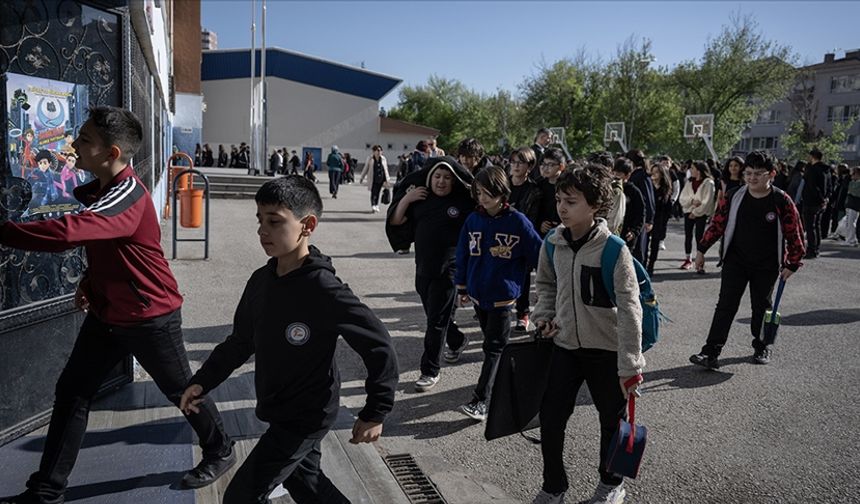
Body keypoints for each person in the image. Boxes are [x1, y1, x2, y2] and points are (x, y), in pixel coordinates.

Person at [0, 107, 234, 504]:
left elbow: (72, 232)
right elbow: (112, 247)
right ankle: (46, 491)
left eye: (85, 139)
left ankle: (220, 449)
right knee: (72, 392)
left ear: (111, 152)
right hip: (108, 313)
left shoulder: (126, 193)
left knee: (180, 390)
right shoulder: (105, 191)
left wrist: (4, 231)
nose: (74, 144)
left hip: (150, 316)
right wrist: (92, 282)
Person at [180, 176, 398, 502]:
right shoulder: (260, 282)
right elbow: (241, 341)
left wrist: (375, 411)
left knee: (239, 497)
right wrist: (203, 381)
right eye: (260, 220)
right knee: (304, 484)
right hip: (277, 407)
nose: (262, 230)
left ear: (307, 225)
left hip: (307, 416)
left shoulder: (324, 289)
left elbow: (379, 344)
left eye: (274, 221)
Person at [531, 164, 645, 504]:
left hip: (607, 351)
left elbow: (630, 309)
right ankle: (554, 486)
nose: (562, 208)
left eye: (571, 201)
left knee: (611, 421)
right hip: (564, 346)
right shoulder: (552, 243)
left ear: (595, 206)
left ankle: (611, 484)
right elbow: (546, 285)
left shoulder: (614, 249)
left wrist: (630, 364)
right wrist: (544, 317)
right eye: (559, 199)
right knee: (551, 419)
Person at [689, 150, 805, 369]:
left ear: (771, 174)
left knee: (761, 307)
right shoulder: (734, 196)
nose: (752, 178)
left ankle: (761, 346)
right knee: (725, 305)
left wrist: (793, 263)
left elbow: (794, 232)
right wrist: (702, 249)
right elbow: (717, 224)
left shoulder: (781, 200)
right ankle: (710, 352)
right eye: (748, 173)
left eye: (758, 174)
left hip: (767, 264)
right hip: (736, 261)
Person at [454, 166, 541, 421]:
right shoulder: (473, 220)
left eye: (488, 193)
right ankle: (509, 383)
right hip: (478, 295)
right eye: (478, 192)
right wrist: (461, 287)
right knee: (491, 347)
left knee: (494, 348)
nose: (482, 198)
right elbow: (462, 254)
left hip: (503, 297)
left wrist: (541, 286)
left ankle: (480, 400)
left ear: (502, 192)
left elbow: (538, 255)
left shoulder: (518, 221)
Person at [386, 157, 474, 391]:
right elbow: (395, 221)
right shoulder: (421, 199)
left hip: (449, 271)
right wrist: (407, 198)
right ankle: (457, 339)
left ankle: (430, 370)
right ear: (429, 178)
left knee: (435, 322)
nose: (441, 182)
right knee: (437, 318)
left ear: (453, 181)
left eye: (446, 177)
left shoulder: (463, 202)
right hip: (423, 269)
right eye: (437, 176)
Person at [508, 147, 542, 332]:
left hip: (522, 239)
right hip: (501, 236)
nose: (515, 166)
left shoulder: (534, 190)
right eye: (513, 162)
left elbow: (531, 218)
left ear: (529, 166)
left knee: (523, 278)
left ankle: (522, 314)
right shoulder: (503, 185)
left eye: (520, 162)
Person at [679, 161, 716, 273]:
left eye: (693, 168)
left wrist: (695, 212)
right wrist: (692, 201)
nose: (691, 170)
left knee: (700, 237)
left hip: (701, 214)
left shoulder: (708, 183)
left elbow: (707, 201)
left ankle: (700, 261)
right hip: (688, 212)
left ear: (699, 170)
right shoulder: (689, 182)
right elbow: (682, 198)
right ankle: (688, 259)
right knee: (688, 235)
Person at [625, 150, 655, 265]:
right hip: (638, 218)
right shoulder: (640, 175)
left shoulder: (641, 176)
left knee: (639, 251)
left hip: (640, 218)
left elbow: (648, 198)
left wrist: (649, 219)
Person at [801, 148, 832, 259]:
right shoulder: (826, 170)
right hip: (821, 202)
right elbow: (829, 187)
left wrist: (820, 199)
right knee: (817, 225)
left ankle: (811, 250)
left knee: (810, 227)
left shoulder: (812, 170)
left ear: (812, 157)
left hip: (811, 201)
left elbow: (812, 187)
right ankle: (816, 248)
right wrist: (825, 199)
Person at [612, 158, 645, 259]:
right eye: (615, 172)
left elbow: (641, 213)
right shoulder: (609, 188)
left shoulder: (634, 192)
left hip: (627, 234)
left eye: (619, 173)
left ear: (628, 175)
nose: (616, 175)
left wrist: (635, 231)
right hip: (612, 231)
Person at [647, 161, 673, 275]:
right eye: (652, 172)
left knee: (655, 244)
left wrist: (665, 222)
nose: (654, 174)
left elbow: (668, 207)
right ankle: (643, 263)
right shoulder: (648, 186)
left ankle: (651, 265)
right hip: (648, 219)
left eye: (657, 172)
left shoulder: (665, 188)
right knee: (644, 243)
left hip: (659, 220)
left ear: (662, 174)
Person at [536, 148, 566, 237]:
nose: (546, 168)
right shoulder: (539, 185)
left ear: (561, 167)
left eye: (550, 165)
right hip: (543, 232)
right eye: (544, 164)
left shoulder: (567, 186)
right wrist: (540, 223)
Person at [359, 145, 392, 213]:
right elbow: (366, 168)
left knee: (378, 192)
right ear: (374, 152)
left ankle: (376, 205)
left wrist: (387, 179)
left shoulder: (383, 159)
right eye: (377, 150)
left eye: (380, 150)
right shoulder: (370, 159)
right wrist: (362, 177)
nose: (379, 152)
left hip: (381, 179)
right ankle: (373, 205)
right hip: (373, 178)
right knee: (374, 192)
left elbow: (385, 169)